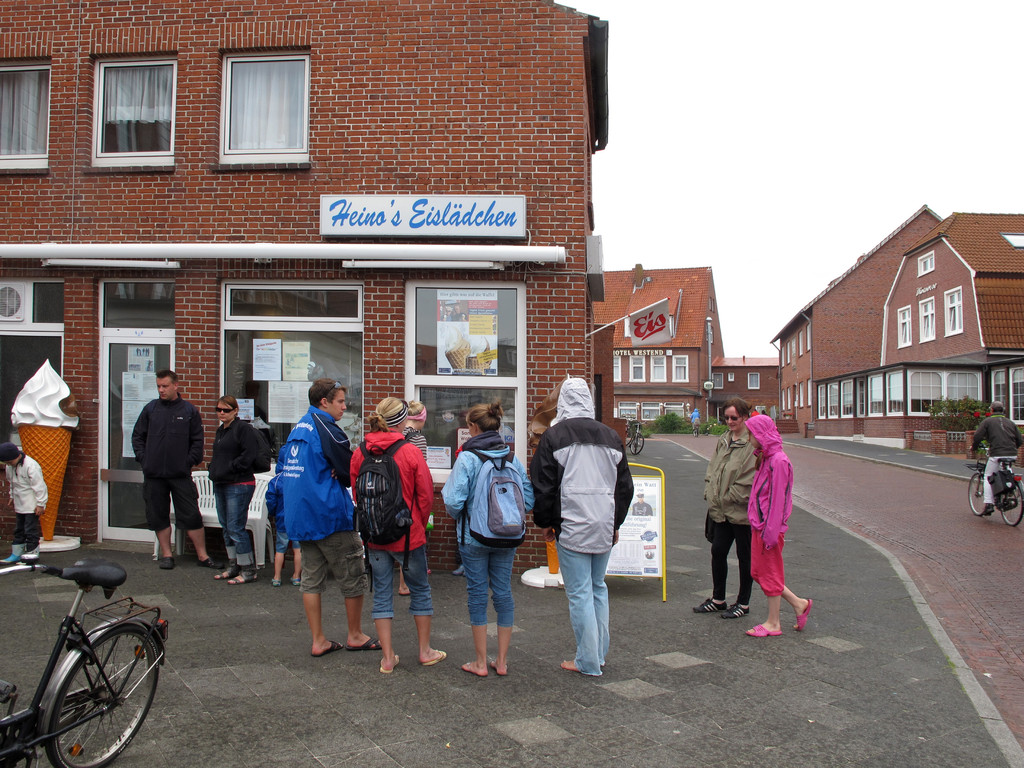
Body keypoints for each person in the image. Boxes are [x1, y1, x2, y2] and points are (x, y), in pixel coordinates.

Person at [531, 377, 634, 676]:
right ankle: (598, 654)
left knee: (579, 593)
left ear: (563, 400)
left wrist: (546, 522)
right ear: (588, 400)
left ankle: (587, 660)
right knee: (598, 588)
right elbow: (624, 487)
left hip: (571, 524)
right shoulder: (612, 437)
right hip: (603, 523)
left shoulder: (553, 437)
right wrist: (615, 523)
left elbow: (544, 485)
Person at [278, 379, 378, 657]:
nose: (345, 407)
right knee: (352, 575)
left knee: (311, 580)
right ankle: (355, 635)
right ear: (325, 402)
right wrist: (339, 470)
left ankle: (318, 640)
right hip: (330, 516)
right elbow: (349, 471)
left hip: (301, 518)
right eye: (340, 402)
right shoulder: (329, 430)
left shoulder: (297, 427)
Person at [351, 397, 445, 674]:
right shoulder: (409, 451)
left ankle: (388, 657)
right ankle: (425, 651)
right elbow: (426, 495)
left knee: (381, 592)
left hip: (374, 534)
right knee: (420, 590)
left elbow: (356, 490)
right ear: (402, 421)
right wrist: (416, 522)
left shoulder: (360, 451)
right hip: (408, 537)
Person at [442, 400, 534, 677]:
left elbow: (453, 501)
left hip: (474, 538)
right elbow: (527, 499)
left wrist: (468, 514)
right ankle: (502, 661)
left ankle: (480, 662)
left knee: (477, 594)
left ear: (473, 427)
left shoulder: (468, 458)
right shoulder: (511, 458)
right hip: (508, 535)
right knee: (503, 593)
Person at [132, 369, 222, 571]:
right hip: (154, 474)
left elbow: (197, 441)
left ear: (175, 386)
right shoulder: (150, 409)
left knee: (191, 515)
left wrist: (188, 461)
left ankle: (203, 555)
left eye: (164, 386)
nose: (161, 390)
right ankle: (167, 555)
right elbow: (137, 437)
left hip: (180, 474)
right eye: (158, 386)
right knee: (158, 514)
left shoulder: (188, 411)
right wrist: (145, 460)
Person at [743, 414, 812, 638]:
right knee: (758, 571)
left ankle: (774, 622)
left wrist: (770, 533)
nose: (749, 437)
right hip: (760, 526)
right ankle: (799, 603)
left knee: (769, 572)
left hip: (767, 529)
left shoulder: (778, 461)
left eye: (751, 433)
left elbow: (778, 501)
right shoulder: (766, 458)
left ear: (761, 435)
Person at [694, 397, 756, 620]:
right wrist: (709, 492)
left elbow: (749, 476)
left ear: (745, 417)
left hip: (740, 511)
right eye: (727, 417)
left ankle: (743, 602)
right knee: (718, 551)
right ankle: (718, 599)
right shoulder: (724, 440)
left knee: (744, 557)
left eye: (734, 418)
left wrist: (731, 496)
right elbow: (713, 468)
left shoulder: (752, 443)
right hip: (720, 508)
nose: (730, 422)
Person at [208, 395, 261, 584]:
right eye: (219, 410)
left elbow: (248, 456)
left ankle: (248, 568)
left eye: (226, 410)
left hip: (239, 484)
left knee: (236, 527)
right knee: (226, 526)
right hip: (221, 482)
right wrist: (214, 469)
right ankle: (234, 564)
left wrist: (229, 468)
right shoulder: (220, 431)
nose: (222, 413)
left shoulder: (243, 429)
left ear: (236, 411)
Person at [397, 400, 429, 595]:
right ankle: (404, 584)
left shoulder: (397, 434)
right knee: (408, 541)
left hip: (394, 492)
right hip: (410, 493)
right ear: (421, 419)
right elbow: (421, 470)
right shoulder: (418, 439)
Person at [971, 401, 1022, 515]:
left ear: (992, 410)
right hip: (1012, 453)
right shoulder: (1010, 422)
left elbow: (978, 436)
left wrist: (974, 447)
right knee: (1007, 473)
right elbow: (1019, 440)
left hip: (997, 453)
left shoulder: (987, 421)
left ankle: (989, 504)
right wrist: (1013, 448)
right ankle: (1009, 492)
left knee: (988, 477)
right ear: (1003, 410)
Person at [0, 442, 46, 562]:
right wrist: (11, 496)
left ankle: (31, 555)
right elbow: (12, 483)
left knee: (30, 530)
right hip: (19, 502)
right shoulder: (10, 466)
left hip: (31, 504)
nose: (8, 465)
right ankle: (16, 553)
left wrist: (41, 504)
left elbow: (40, 486)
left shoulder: (31, 466)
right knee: (19, 529)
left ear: (15, 456)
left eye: (9, 462)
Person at [264, 457, 302, 587]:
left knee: (280, 549)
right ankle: (297, 576)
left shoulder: (276, 481)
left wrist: (273, 513)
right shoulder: (300, 478)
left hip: (282, 520)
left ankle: (277, 576)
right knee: (298, 550)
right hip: (297, 520)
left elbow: (271, 500)